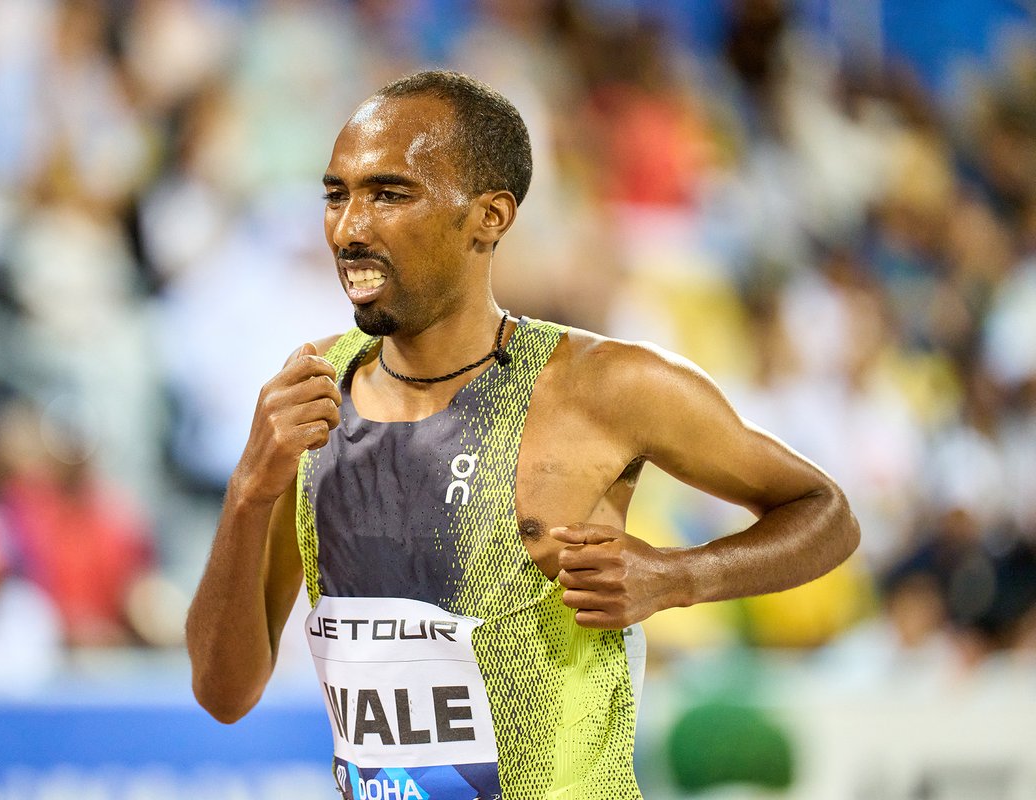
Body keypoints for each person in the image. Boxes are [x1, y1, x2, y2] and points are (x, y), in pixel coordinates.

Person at [186, 70, 859, 799]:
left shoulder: (604, 387)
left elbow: (826, 514)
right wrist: (250, 489)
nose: (349, 228)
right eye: (336, 195)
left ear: (489, 217)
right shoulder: (313, 395)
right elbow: (225, 694)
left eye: (389, 194)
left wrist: (677, 578)